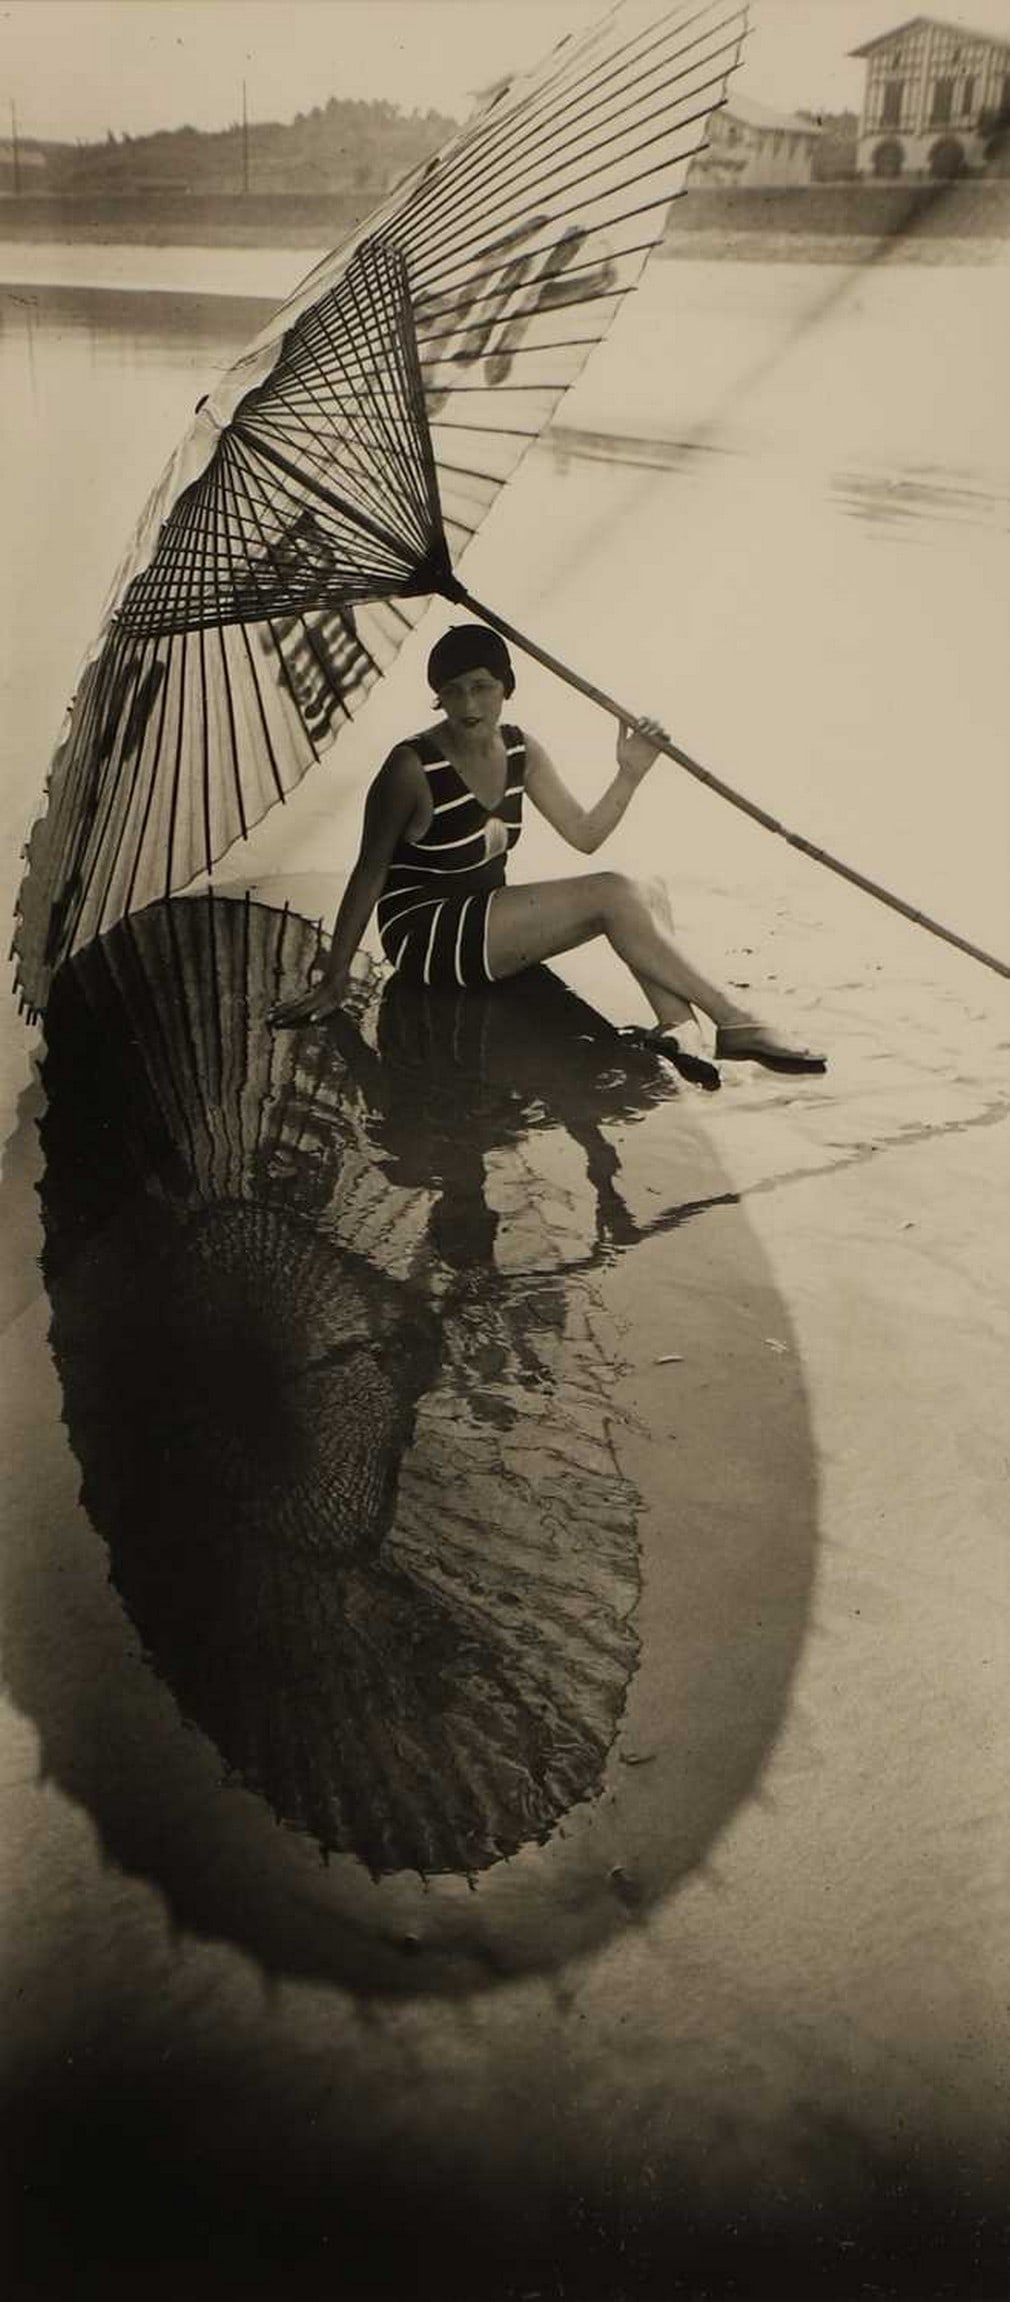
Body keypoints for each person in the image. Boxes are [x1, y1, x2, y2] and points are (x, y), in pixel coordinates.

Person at [270, 623, 826, 1083]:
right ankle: (733, 1017)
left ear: (507, 687)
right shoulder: (410, 767)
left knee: (645, 886)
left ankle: (677, 1025)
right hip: (428, 937)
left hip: (486, 918)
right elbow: (369, 873)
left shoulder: (519, 749)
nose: (469, 704)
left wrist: (629, 774)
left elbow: (585, 834)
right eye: (454, 689)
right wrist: (335, 977)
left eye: (483, 686)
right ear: (437, 694)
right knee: (613, 892)